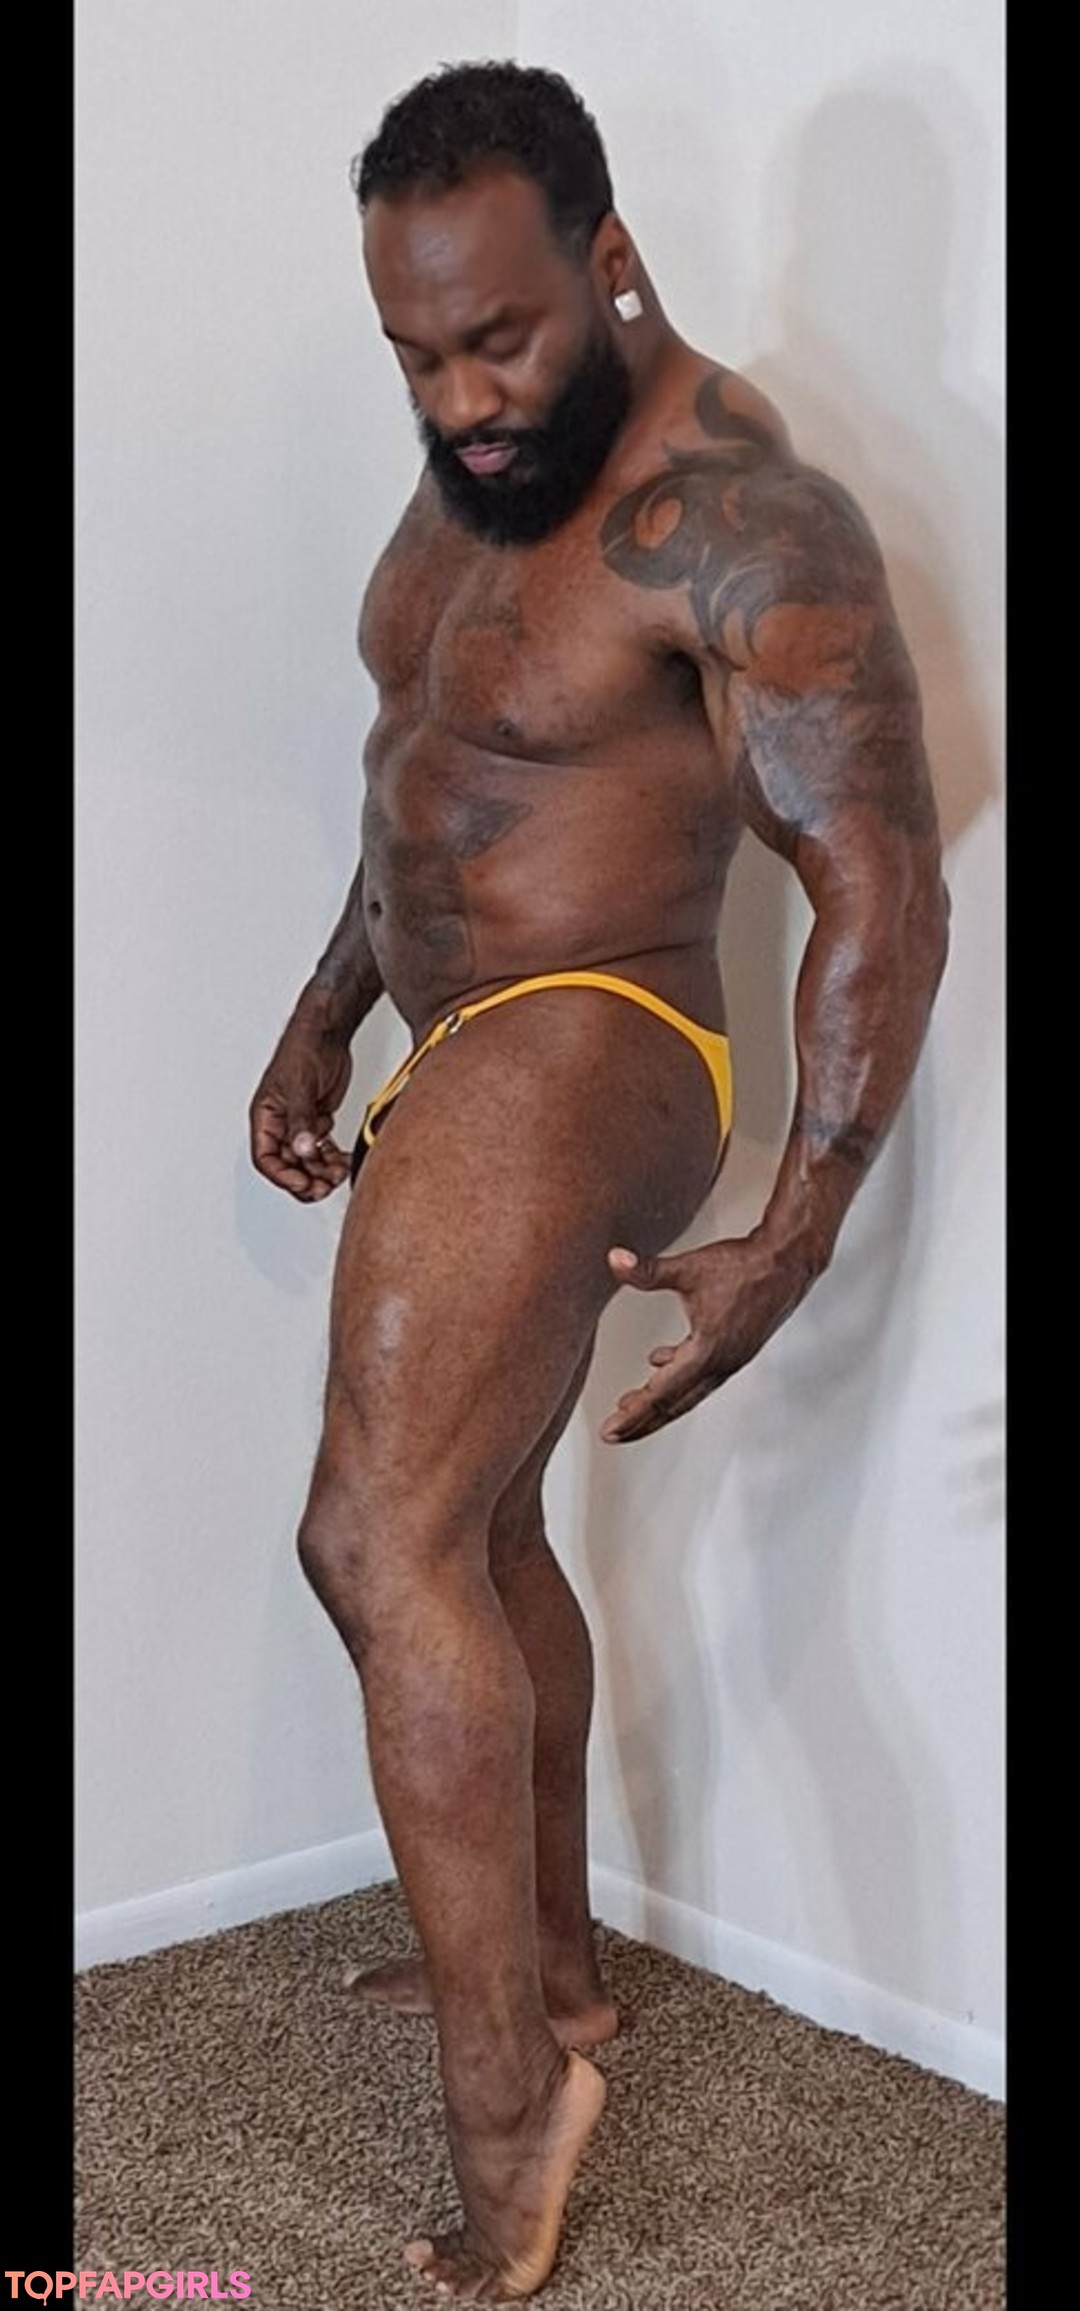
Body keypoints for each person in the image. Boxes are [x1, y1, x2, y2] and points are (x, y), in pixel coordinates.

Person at [249, 59, 950, 2303]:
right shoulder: (483, 462)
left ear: (610, 261)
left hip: (608, 1030)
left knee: (372, 1534)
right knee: (475, 1528)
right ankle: (552, 1974)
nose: (461, 398)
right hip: (458, 1030)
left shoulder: (748, 519)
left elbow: (879, 878)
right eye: (417, 353)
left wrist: (798, 1229)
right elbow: (433, 776)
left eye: (500, 341)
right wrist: (326, 1012)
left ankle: (509, 2118)